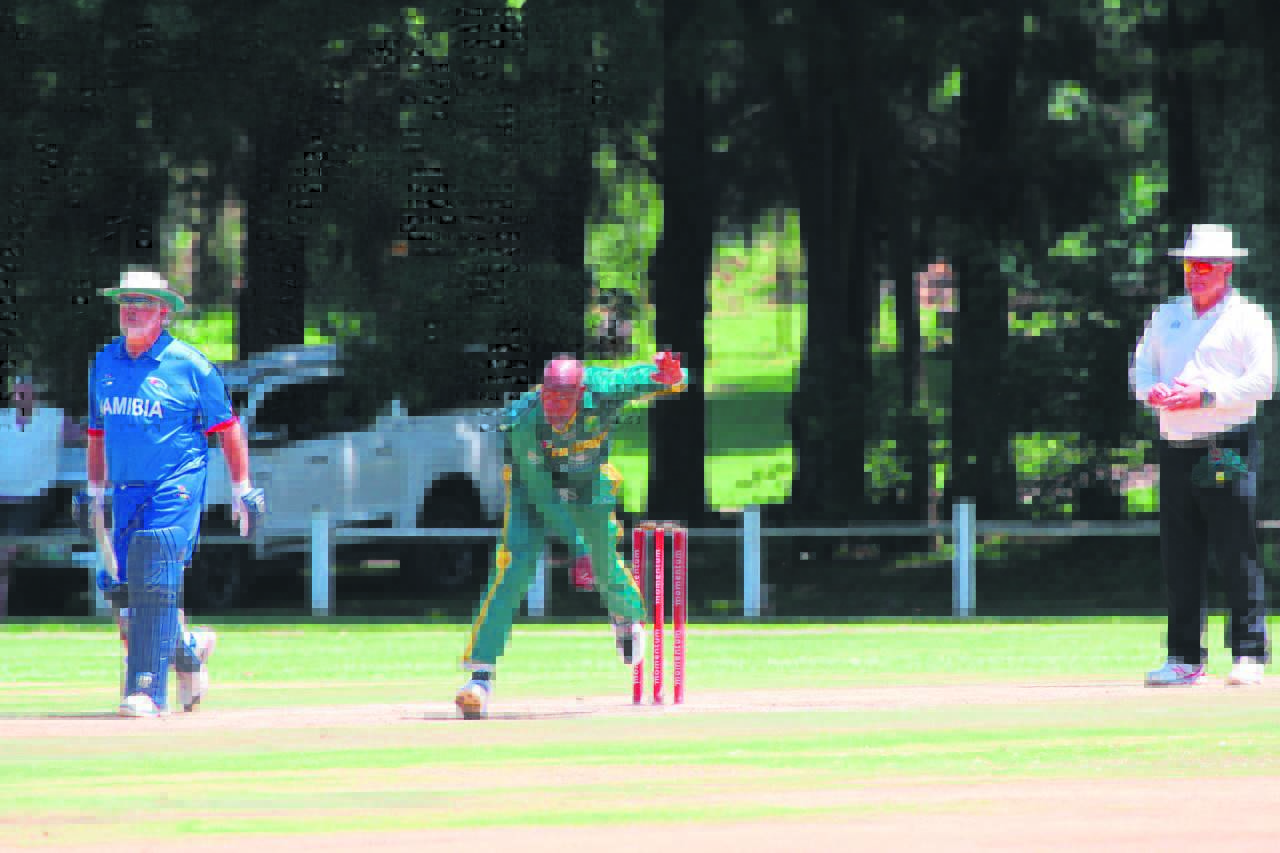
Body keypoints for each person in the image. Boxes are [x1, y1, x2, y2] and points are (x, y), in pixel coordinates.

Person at [455, 351, 688, 719]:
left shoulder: (602, 388)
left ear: (581, 392)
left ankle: (625, 616)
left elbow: (645, 378)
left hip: (588, 483)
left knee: (602, 560)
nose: (556, 408)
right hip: (533, 491)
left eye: (564, 398)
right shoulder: (524, 422)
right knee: (514, 568)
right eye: (550, 397)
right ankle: (479, 678)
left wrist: (671, 376)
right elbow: (544, 495)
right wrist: (576, 549)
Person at [82, 269, 264, 717]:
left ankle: (146, 689)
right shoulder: (104, 362)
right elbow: (97, 433)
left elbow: (227, 428)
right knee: (123, 596)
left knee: (154, 563)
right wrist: (94, 491)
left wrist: (242, 488)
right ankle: (187, 651)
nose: (133, 310)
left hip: (175, 484)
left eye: (144, 303)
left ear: (164, 312)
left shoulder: (190, 365)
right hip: (126, 489)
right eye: (127, 302)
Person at [1131, 224, 1274, 687]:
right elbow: (1141, 369)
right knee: (1179, 554)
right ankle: (1184, 658)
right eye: (1191, 265)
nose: (1195, 274)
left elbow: (1263, 381)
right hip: (1175, 446)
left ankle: (1249, 653)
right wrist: (1152, 392)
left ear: (1227, 269)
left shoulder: (1248, 317)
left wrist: (1206, 397)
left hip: (1224, 446)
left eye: (1206, 266)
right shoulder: (1167, 315)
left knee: (1235, 548)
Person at [0, 380, 62, 620]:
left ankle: (2, 616)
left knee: (5, 552)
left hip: (32, 499)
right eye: (17, 391)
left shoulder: (54, 419)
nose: (21, 395)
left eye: (26, 390)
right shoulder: (3, 419)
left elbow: (90, 437)